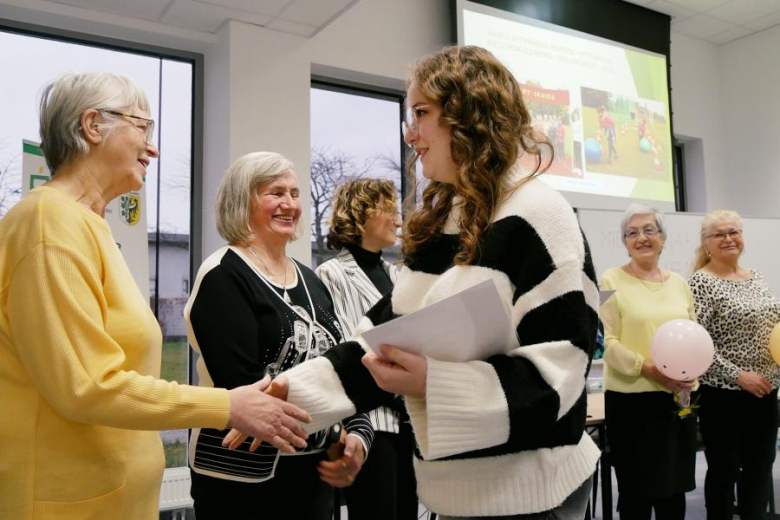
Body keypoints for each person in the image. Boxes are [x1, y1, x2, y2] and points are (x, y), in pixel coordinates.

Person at [234, 45, 601, 519]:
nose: (411, 135)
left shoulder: (539, 215)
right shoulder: (450, 216)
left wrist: (434, 380)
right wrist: (290, 394)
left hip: (532, 497)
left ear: (470, 116)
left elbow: (561, 375)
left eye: (422, 114)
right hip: (455, 498)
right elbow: (381, 340)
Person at [0, 72, 310, 519]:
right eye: (143, 128)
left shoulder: (89, 226)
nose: (153, 147)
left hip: (113, 496)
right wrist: (227, 405)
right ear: (93, 126)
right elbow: (87, 385)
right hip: (63, 502)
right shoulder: (49, 224)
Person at [184, 152, 374, 520]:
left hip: (311, 481)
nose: (289, 204)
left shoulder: (312, 281)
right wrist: (337, 435)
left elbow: (341, 366)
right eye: (275, 193)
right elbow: (251, 395)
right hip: (242, 486)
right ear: (243, 201)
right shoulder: (224, 276)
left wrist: (358, 438)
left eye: (295, 193)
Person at [315, 179, 418, 520]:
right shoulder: (331, 274)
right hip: (371, 426)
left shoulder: (397, 276)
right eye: (389, 210)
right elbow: (347, 349)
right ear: (359, 214)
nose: (398, 221)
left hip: (409, 421)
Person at [599, 204, 698, 520]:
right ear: (624, 242)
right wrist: (651, 369)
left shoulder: (680, 283)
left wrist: (688, 379)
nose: (641, 238)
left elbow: (694, 337)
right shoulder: (609, 279)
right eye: (632, 233)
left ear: (663, 239)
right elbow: (607, 342)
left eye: (649, 230)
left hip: (677, 401)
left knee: (675, 489)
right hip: (632, 404)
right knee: (637, 494)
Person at [689, 210, 780, 520]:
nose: (728, 238)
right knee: (725, 472)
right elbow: (696, 344)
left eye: (734, 232)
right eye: (719, 234)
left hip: (766, 392)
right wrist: (738, 375)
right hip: (724, 395)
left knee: (760, 469)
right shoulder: (701, 282)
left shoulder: (757, 277)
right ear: (706, 244)